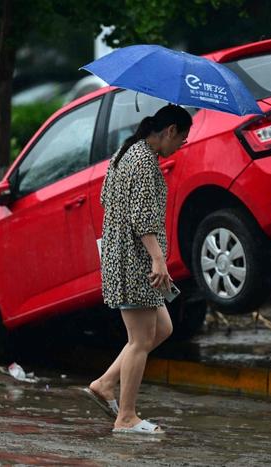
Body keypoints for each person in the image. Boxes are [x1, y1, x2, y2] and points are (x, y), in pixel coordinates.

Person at [87, 104, 193, 434]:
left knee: (161, 328)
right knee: (140, 340)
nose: (180, 147)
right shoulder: (144, 162)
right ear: (170, 130)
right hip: (134, 260)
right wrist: (158, 259)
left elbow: (105, 197)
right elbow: (143, 218)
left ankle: (105, 384)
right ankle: (126, 417)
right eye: (183, 139)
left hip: (119, 254)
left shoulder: (125, 151)